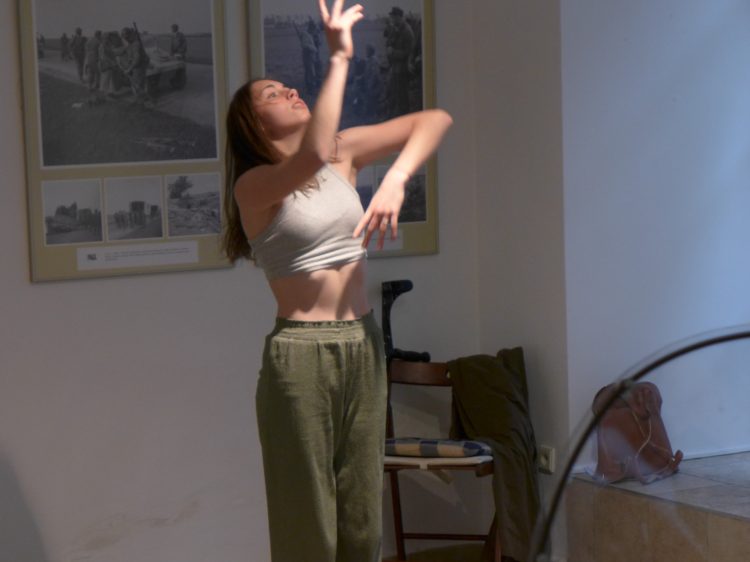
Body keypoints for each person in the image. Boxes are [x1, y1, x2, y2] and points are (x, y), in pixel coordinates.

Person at [222, 2, 452, 561]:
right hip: (301, 356)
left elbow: (435, 120)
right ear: (252, 125)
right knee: (309, 527)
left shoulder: (343, 155)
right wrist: (340, 57)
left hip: (362, 343)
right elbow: (308, 157)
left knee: (361, 521)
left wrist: (397, 178)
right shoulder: (254, 186)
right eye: (272, 94)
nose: (289, 91)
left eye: (287, 86)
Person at [383, 6, 414, 118]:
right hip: (395, 68)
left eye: (394, 17)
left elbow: (409, 52)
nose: (392, 19)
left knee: (402, 97)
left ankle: (404, 118)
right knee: (394, 95)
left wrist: (393, 52)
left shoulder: (407, 31)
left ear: (399, 17)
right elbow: (389, 42)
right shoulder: (395, 29)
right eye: (392, 17)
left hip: (403, 69)